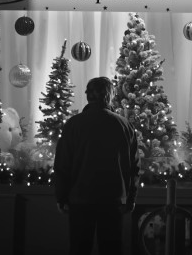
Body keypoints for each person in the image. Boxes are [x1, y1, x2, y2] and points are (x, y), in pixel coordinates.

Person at [53, 76, 141, 255]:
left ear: (88, 96)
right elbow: (133, 167)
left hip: (80, 199)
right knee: (111, 249)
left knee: (79, 248)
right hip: (113, 200)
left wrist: (61, 197)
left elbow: (63, 164)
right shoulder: (124, 125)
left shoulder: (74, 124)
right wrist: (130, 198)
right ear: (109, 96)